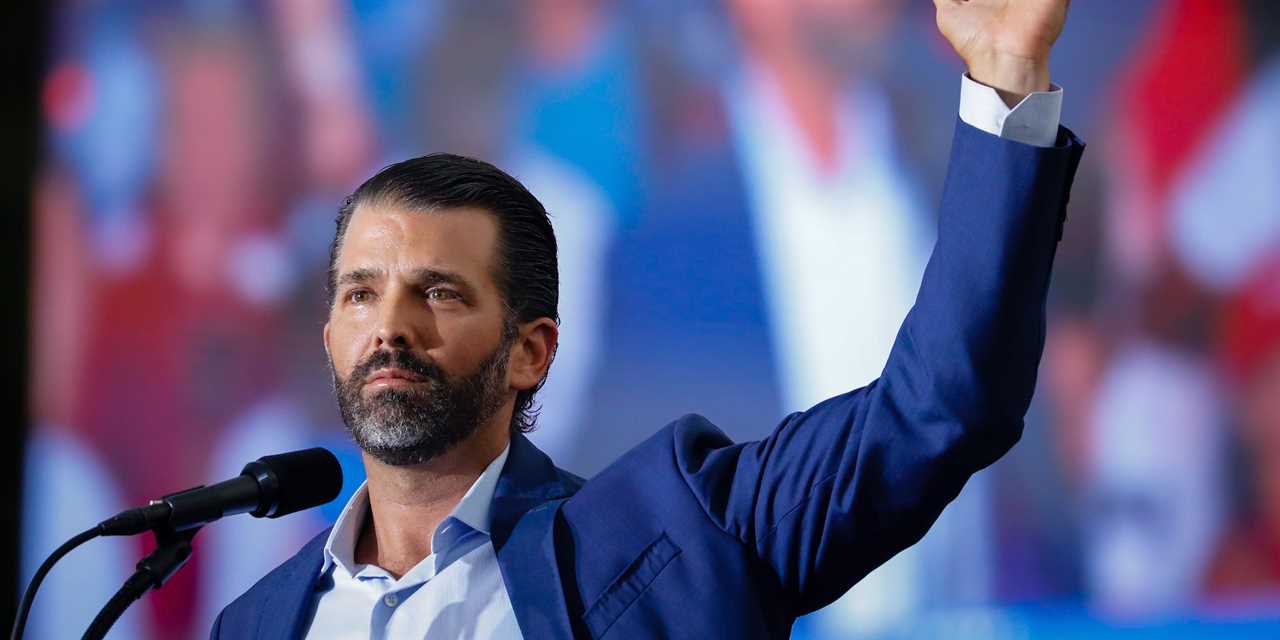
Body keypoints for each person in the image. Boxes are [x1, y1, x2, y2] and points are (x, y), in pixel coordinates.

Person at [212, 1, 1085, 637]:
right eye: (361, 292)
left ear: (531, 351)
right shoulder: (256, 623)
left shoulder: (666, 539)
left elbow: (937, 408)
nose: (391, 327)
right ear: (329, 337)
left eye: (439, 293)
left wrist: (1007, 84)